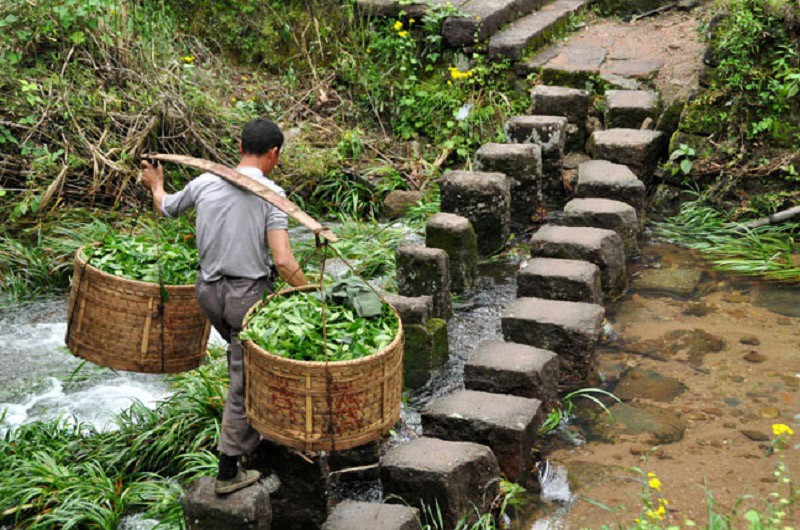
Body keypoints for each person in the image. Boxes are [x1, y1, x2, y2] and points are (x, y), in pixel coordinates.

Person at [141, 119, 308, 495]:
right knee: (243, 377)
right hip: (246, 298)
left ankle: (257, 430)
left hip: (208, 293)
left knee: (244, 360)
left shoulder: (204, 182)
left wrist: (156, 183)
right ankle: (228, 469)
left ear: (239, 146)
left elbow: (166, 208)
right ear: (274, 154)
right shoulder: (272, 195)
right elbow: (282, 261)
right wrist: (317, 293)